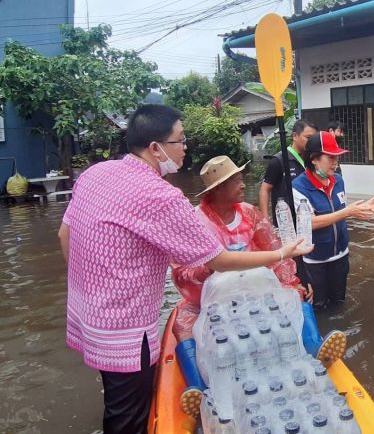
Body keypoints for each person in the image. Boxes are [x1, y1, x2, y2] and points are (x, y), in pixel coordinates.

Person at [57, 105, 309, 434]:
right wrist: (280, 253)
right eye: (180, 139)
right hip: (126, 327)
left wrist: (91, 287)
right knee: (128, 415)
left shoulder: (95, 174)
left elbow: (65, 234)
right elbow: (217, 260)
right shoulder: (162, 196)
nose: (185, 146)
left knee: (117, 398)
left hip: (88, 312)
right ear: (155, 148)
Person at [170, 155, 346, 416]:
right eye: (237, 181)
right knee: (182, 324)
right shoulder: (194, 223)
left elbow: (274, 250)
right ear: (218, 189)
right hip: (214, 298)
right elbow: (181, 273)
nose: (244, 185)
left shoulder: (250, 214)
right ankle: (197, 386)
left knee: (296, 296)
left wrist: (293, 282)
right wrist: (212, 267)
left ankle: (313, 347)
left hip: (257, 291)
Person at [293, 130, 374, 308]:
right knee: (318, 306)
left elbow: (341, 210)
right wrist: (348, 212)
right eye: (330, 158)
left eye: (337, 157)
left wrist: (363, 207)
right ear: (314, 159)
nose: (336, 163)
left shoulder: (338, 180)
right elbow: (309, 223)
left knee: (339, 302)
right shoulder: (298, 187)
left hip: (340, 256)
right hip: (315, 261)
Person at [259, 120, 316, 222]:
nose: (311, 142)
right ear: (295, 136)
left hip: (308, 220)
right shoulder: (279, 160)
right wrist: (265, 218)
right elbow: (265, 189)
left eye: (313, 139)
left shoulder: (314, 160)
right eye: (308, 138)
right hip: (286, 223)